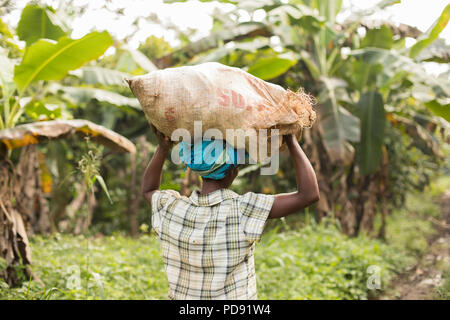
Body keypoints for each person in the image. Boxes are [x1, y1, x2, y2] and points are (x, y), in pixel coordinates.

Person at [142, 125, 319, 300]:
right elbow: (308, 195)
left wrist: (162, 148)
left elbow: (148, 190)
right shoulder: (243, 210)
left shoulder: (172, 208)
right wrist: (291, 140)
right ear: (233, 171)